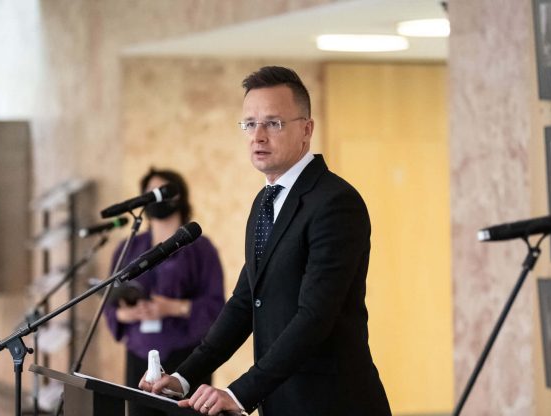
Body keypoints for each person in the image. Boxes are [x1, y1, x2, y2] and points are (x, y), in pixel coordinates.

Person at [139, 66, 391, 416]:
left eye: (273, 123)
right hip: (279, 402)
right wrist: (184, 377)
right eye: (249, 124)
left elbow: (315, 316)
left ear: (306, 129)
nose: (258, 136)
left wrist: (239, 393)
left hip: (332, 402)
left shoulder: (335, 203)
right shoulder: (265, 202)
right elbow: (245, 302)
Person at [104, 168, 225, 416]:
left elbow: (216, 306)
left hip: (187, 356)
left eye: (159, 191)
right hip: (139, 355)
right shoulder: (129, 247)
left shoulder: (202, 249)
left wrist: (173, 307)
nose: (153, 197)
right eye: (148, 192)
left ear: (178, 196)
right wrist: (127, 314)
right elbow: (110, 304)